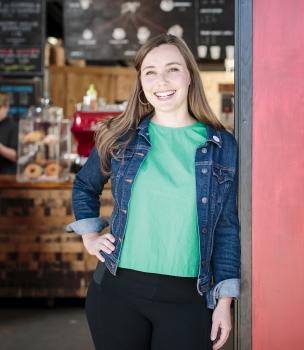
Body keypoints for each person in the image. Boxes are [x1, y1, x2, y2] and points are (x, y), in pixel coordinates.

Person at [66, 34, 240, 350]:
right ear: (141, 81)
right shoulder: (120, 136)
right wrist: (90, 236)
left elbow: (227, 228)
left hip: (188, 297)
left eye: (172, 69)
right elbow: (84, 186)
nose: (161, 80)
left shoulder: (221, 147)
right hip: (117, 291)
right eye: (150, 72)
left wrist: (225, 301)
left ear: (189, 75)